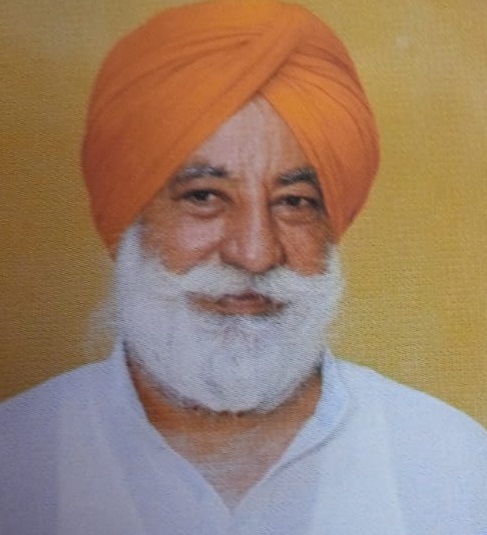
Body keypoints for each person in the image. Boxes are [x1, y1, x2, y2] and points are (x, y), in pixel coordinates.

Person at [1, 1, 486, 534]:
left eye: (294, 202)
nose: (255, 253)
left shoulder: (449, 460)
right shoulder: (17, 455)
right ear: (127, 217)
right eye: (204, 196)